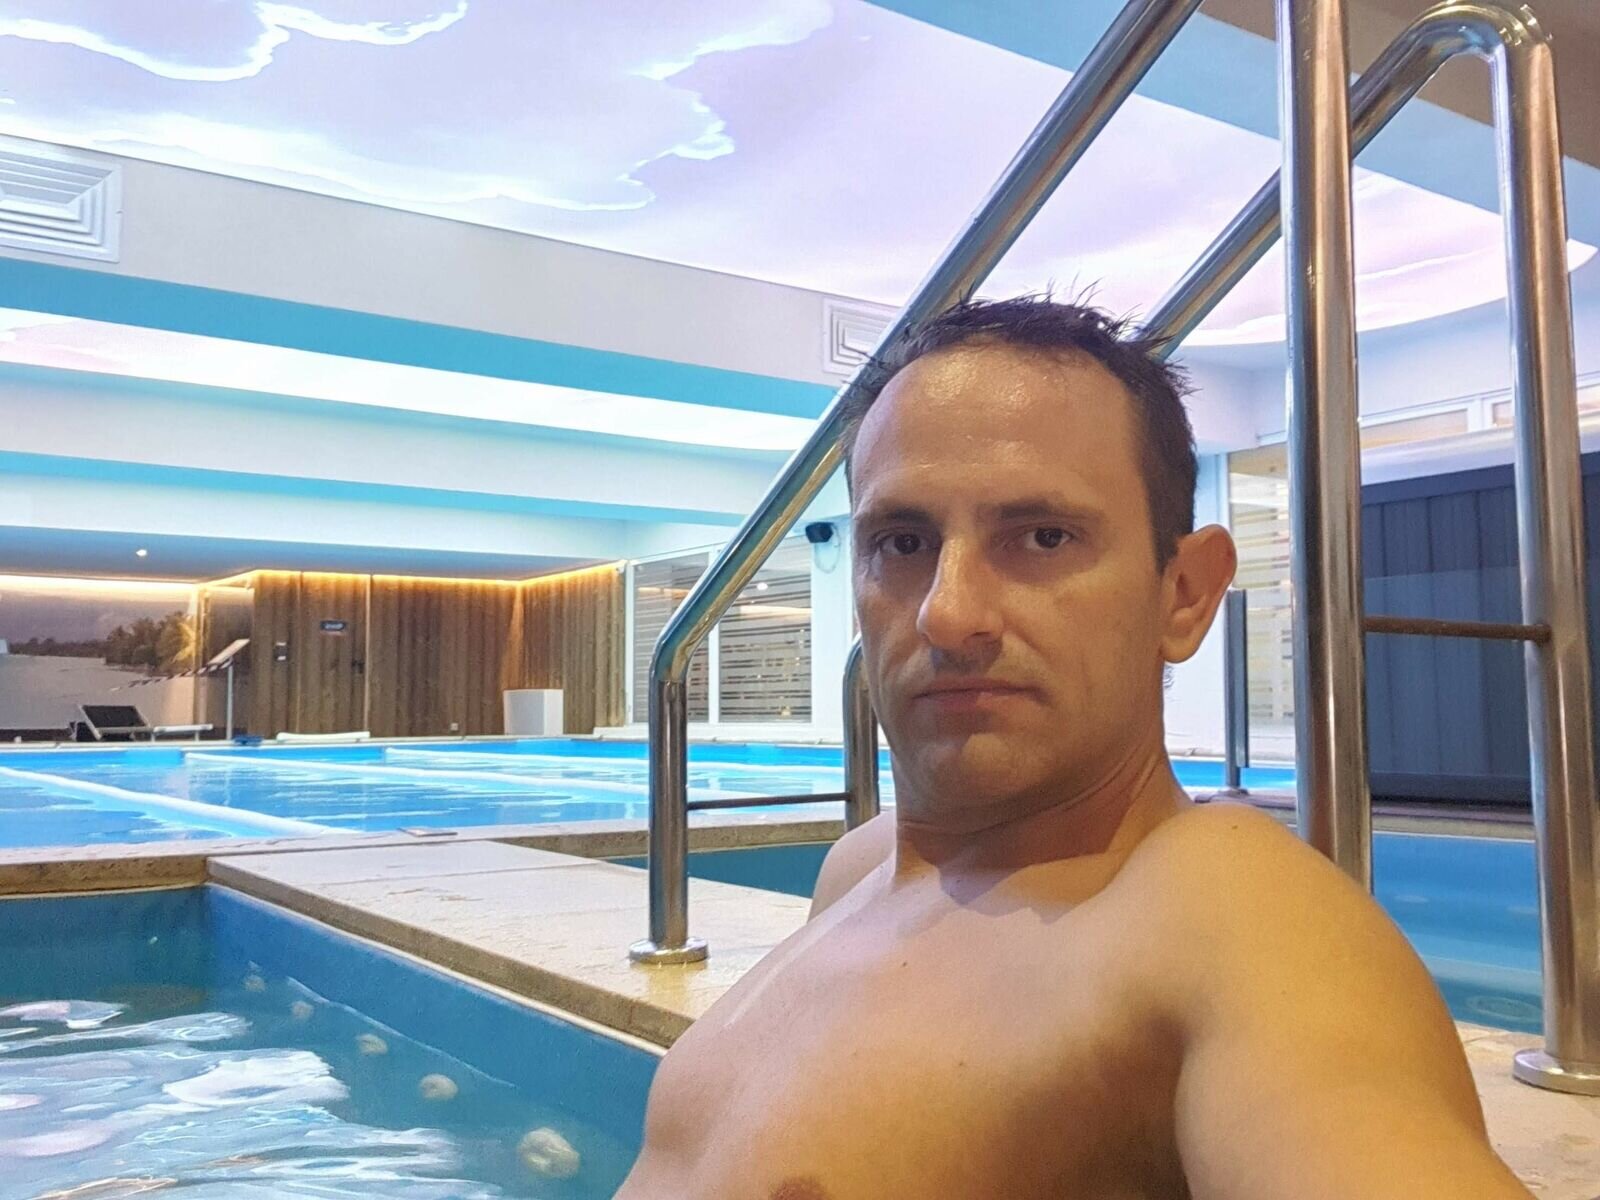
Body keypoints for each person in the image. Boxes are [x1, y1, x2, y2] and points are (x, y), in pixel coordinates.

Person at [616, 297, 1531, 1199]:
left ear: (1185, 594)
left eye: (1043, 537)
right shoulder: (857, 870)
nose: (948, 613)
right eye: (903, 542)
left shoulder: (1227, 915)